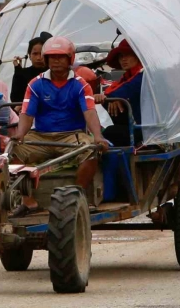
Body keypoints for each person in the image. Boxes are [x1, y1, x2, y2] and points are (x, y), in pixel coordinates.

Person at [11, 36, 109, 217]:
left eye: (60, 57)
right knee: (11, 151)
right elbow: (27, 114)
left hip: (72, 136)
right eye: (52, 57)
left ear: (70, 58)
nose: (56, 61)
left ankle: (78, 196)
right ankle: (28, 201)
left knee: (91, 151)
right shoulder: (35, 84)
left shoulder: (80, 84)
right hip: (41, 136)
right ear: (46, 59)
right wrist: (20, 134)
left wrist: (97, 136)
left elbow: (89, 111)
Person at [94, 39, 144, 147]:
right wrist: (113, 98)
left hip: (147, 130)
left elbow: (126, 89)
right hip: (133, 127)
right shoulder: (126, 76)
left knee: (109, 132)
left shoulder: (143, 75)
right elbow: (112, 90)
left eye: (127, 55)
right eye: (121, 56)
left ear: (137, 56)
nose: (123, 59)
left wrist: (115, 97)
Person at [10, 31, 53, 103]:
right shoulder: (22, 73)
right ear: (29, 56)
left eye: (41, 54)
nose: (38, 58)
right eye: (35, 54)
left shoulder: (53, 73)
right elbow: (15, 99)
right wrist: (18, 70)